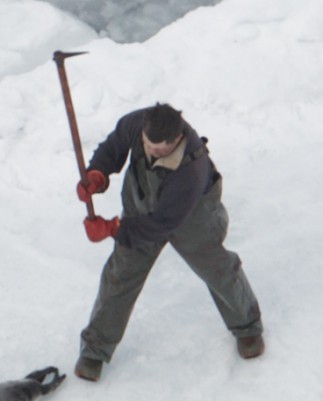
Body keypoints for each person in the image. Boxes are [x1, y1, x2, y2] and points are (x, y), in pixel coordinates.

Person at [74, 103, 264, 381]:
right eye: (149, 145)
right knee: (121, 274)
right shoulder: (137, 123)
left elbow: (161, 224)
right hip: (142, 202)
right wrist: (97, 174)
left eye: (161, 150)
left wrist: (113, 229)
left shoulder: (192, 169)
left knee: (216, 267)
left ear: (177, 139)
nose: (153, 152)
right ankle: (95, 348)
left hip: (192, 215)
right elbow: (113, 146)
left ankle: (248, 327)